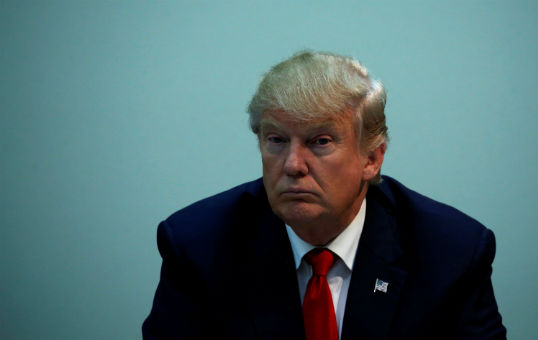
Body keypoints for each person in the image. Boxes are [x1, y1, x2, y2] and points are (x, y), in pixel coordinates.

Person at [142, 51, 507, 339]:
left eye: (320, 142)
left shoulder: (450, 252)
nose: (292, 165)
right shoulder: (198, 246)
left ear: (372, 158)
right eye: (276, 140)